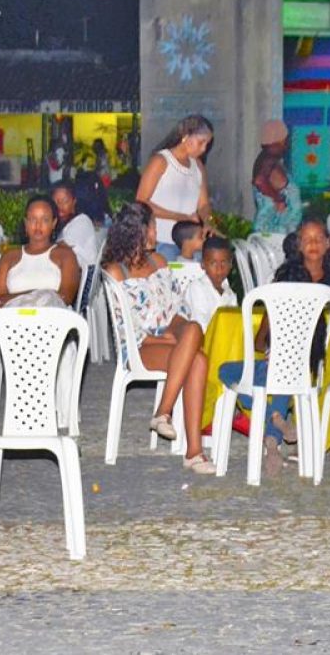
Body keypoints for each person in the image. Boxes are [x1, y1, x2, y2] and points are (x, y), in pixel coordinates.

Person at [219, 218, 330, 473]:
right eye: (307, 239)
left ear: (327, 244)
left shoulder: (285, 278)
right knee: (281, 376)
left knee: (227, 371)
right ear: (298, 245)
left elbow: (261, 337)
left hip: (296, 363)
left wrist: (266, 346)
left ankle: (272, 422)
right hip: (310, 365)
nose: (312, 244)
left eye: (317, 238)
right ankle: (274, 429)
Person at [102, 201, 212, 473]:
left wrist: (177, 335)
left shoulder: (160, 262)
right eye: (151, 227)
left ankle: (164, 413)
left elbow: (178, 308)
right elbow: (129, 329)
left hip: (172, 336)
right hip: (142, 346)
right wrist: (167, 339)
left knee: (194, 329)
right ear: (136, 231)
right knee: (196, 360)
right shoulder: (117, 271)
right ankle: (194, 452)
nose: (155, 233)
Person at [136, 114, 215, 259]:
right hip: (162, 243)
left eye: (207, 144)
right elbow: (142, 201)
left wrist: (209, 222)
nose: (204, 149)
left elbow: (203, 204)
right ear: (186, 137)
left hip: (191, 245)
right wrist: (181, 217)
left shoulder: (198, 166)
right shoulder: (160, 161)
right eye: (201, 142)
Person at [0, 196, 81, 307]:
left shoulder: (66, 256)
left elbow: (65, 298)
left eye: (45, 220)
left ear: (53, 223)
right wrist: (39, 294)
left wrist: (19, 298)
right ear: (26, 223)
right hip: (13, 320)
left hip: (53, 321)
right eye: (33, 219)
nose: (38, 226)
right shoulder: (9, 257)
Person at [252, 119, 301, 235]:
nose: (286, 144)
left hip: (277, 228)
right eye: (285, 139)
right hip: (273, 229)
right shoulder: (268, 159)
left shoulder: (269, 159)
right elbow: (259, 181)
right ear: (277, 139)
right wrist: (278, 198)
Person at [184, 236, 236, 331]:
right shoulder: (197, 288)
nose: (219, 269)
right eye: (213, 263)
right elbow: (201, 326)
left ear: (231, 264)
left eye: (224, 263)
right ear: (203, 264)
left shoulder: (230, 294)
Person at [51, 180, 99, 268]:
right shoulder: (59, 224)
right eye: (55, 202)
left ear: (74, 201)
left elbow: (62, 251)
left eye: (64, 201)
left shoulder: (81, 221)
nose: (59, 206)